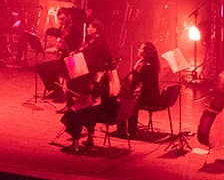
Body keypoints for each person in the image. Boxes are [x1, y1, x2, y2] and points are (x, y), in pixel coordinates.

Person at [60, 19, 115, 152]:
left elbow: (95, 60)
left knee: (78, 109)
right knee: (89, 110)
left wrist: (80, 59)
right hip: (85, 77)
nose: (88, 28)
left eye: (91, 27)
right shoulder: (90, 41)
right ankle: (90, 138)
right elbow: (84, 53)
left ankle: (75, 143)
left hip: (88, 79)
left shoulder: (99, 43)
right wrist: (75, 53)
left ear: (96, 29)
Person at [123, 41, 160, 136]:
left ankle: (130, 130)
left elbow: (135, 81)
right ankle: (130, 128)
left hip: (150, 98)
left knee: (128, 101)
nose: (139, 50)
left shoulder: (146, 66)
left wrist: (135, 69)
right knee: (130, 98)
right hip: (152, 95)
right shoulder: (150, 63)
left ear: (146, 52)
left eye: (141, 48)